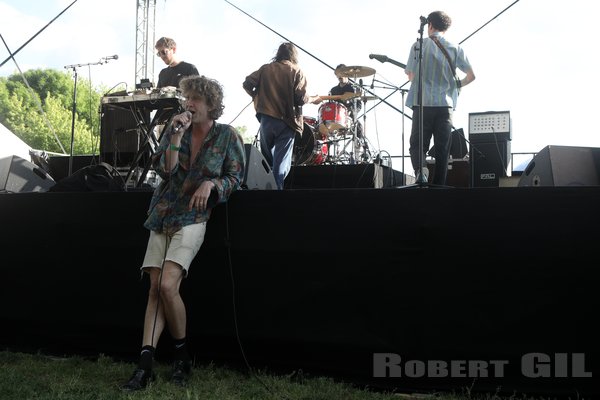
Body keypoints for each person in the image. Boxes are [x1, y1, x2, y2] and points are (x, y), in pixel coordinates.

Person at [121, 75, 245, 391]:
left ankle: (180, 354)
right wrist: (175, 137)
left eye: (196, 99)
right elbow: (164, 170)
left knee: (166, 284)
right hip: (162, 213)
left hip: (194, 216)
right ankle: (145, 364)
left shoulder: (227, 136)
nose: (189, 104)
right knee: (154, 288)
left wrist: (211, 184)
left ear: (211, 105)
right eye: (187, 98)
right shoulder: (175, 129)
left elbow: (234, 178)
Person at [405, 11, 475, 185]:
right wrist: (457, 85)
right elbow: (471, 75)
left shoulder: (418, 45)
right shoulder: (455, 48)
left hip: (422, 104)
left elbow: (411, 76)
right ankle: (439, 187)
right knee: (443, 149)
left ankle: (422, 170)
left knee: (417, 145)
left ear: (429, 25)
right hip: (445, 106)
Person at [243, 42, 322, 190]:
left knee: (266, 161)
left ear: (278, 54)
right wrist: (314, 99)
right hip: (287, 122)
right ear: (294, 56)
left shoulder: (265, 69)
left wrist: (256, 96)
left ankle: (263, 191)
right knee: (281, 164)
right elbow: (301, 99)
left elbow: (247, 83)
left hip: (266, 119)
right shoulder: (296, 71)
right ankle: (275, 195)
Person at [329, 64, 363, 139]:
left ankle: (359, 148)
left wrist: (352, 111)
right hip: (335, 119)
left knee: (359, 128)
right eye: (338, 73)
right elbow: (329, 106)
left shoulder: (353, 89)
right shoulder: (333, 90)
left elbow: (358, 105)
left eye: (342, 72)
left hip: (349, 118)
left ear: (347, 73)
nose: (340, 75)